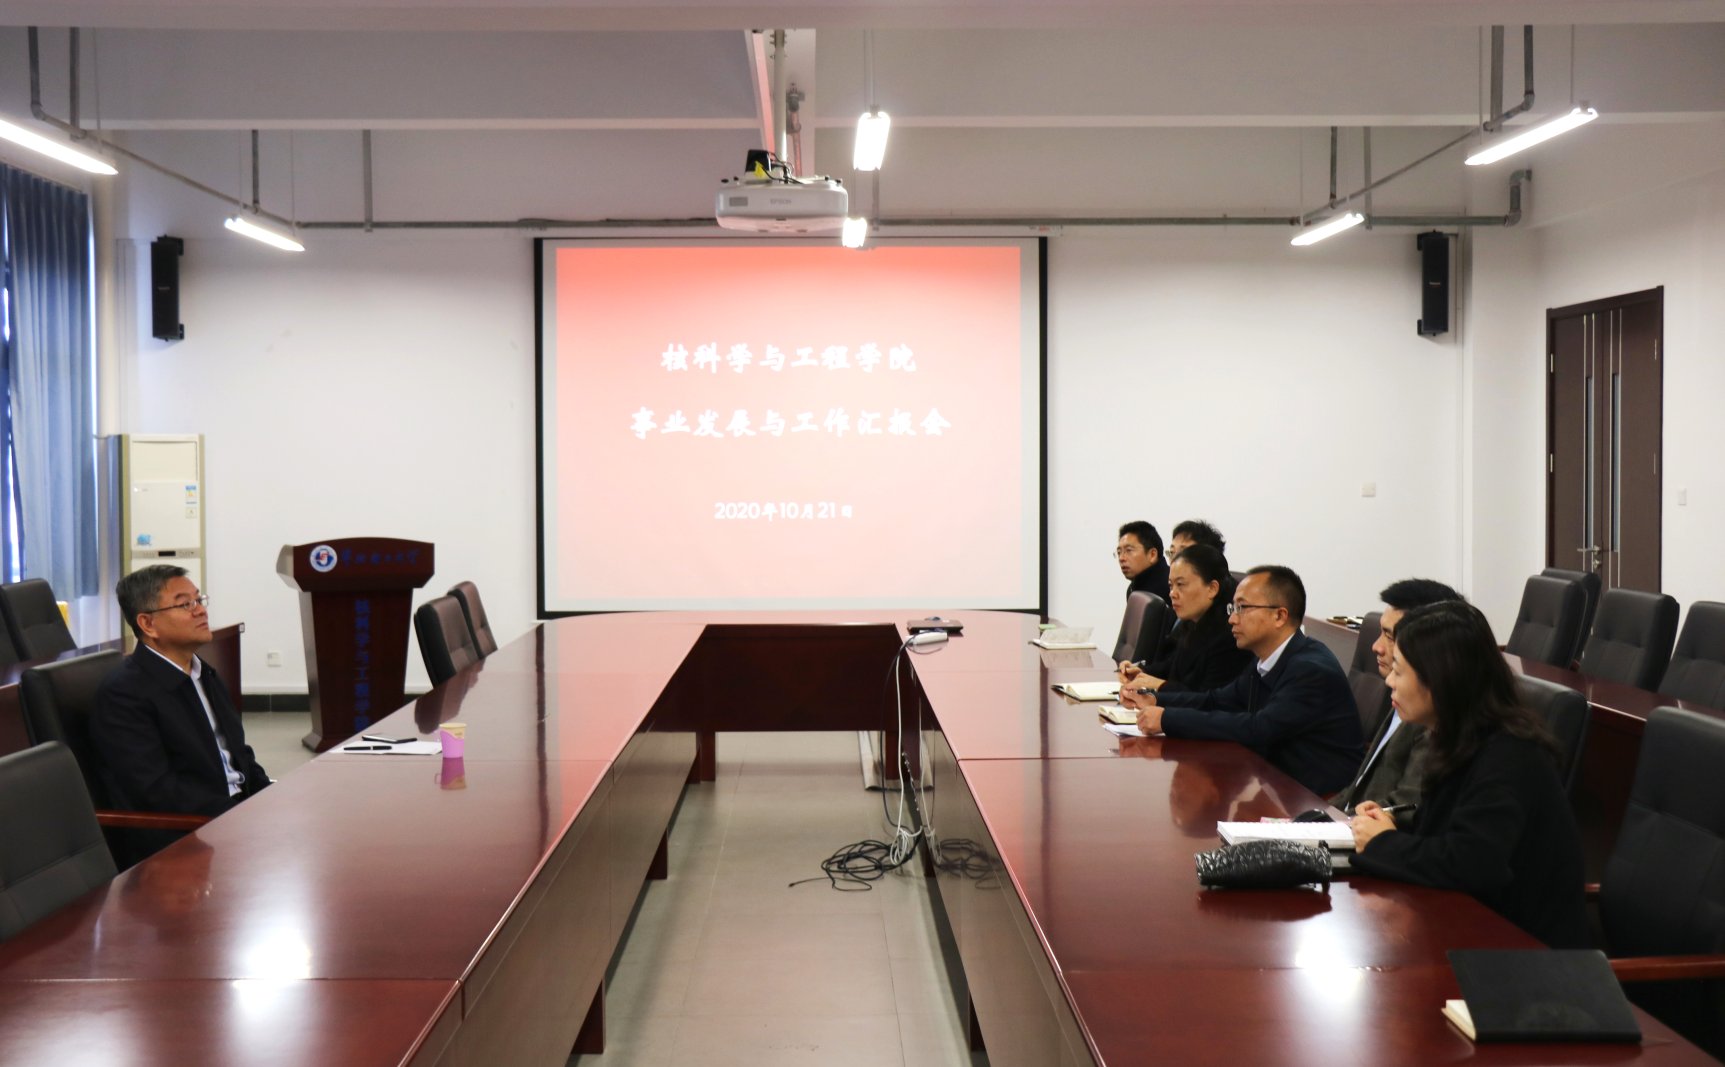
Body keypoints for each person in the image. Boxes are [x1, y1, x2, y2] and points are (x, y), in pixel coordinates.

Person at [1349, 601, 1589, 949]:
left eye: (1399, 671)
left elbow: (1472, 863)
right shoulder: (1458, 738)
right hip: (1474, 931)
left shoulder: (1509, 754)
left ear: (1439, 679)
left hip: (1527, 955)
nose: (1388, 681)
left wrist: (1383, 843)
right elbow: (1448, 834)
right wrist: (1392, 825)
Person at [1123, 565, 1362, 796]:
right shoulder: (1266, 658)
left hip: (1317, 799)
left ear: (1279, 616)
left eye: (1242, 608)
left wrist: (1167, 719)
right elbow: (1218, 700)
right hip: (1275, 784)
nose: (1232, 619)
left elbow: (1258, 728)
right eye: (1233, 608)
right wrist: (1156, 699)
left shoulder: (1309, 670)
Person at [94, 565, 270, 839]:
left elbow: (240, 755)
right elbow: (157, 791)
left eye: (199, 600)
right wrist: (244, 817)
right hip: (190, 832)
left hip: (233, 815)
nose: (200, 611)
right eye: (185, 604)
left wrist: (272, 798)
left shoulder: (204, 673)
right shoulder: (125, 694)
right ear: (148, 624)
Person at [1331, 578, 1462, 823]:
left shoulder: (1431, 716)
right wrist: (1315, 819)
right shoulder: (1401, 693)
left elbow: (1406, 808)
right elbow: (1356, 790)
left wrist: (1336, 825)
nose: (1376, 647)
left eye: (1389, 636)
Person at [1117, 544, 1252, 694]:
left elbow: (1208, 699)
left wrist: (1161, 685)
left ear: (1212, 588)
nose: (1172, 593)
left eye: (1180, 585)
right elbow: (1173, 666)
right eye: (1171, 586)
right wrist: (1141, 671)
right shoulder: (1192, 622)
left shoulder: (1230, 636)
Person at [1115, 520, 1169, 603]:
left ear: (1152, 555)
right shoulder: (1133, 589)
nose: (1121, 558)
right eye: (1119, 552)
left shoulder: (1172, 586)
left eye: (1129, 550)